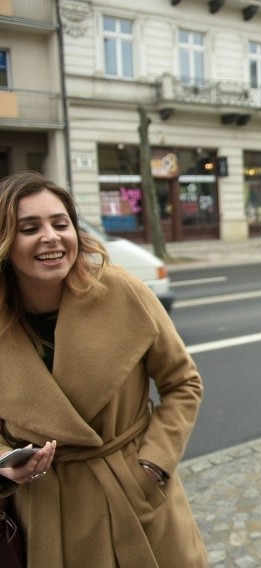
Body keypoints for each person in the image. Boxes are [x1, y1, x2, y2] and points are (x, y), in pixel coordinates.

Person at [0, 171, 207, 567]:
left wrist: (153, 465)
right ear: (6, 243)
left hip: (136, 496)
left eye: (61, 223)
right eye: (30, 228)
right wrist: (6, 465)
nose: (51, 236)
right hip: (47, 513)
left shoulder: (121, 292)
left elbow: (183, 383)